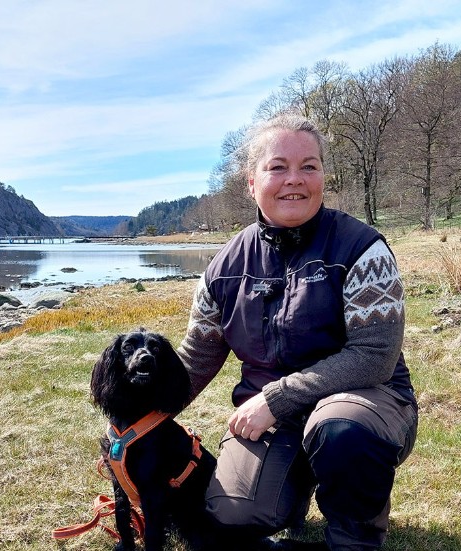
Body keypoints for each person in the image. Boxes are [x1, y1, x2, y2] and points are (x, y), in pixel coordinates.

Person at [176, 113, 418, 550]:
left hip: (364, 404)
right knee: (229, 521)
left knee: (342, 430)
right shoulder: (223, 268)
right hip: (273, 422)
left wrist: (276, 397)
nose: (295, 179)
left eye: (309, 166)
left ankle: (353, 538)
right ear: (251, 182)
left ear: (324, 176)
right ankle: (293, 489)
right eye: (277, 167)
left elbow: (374, 356)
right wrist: (135, 420)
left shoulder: (363, 249)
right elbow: (194, 360)